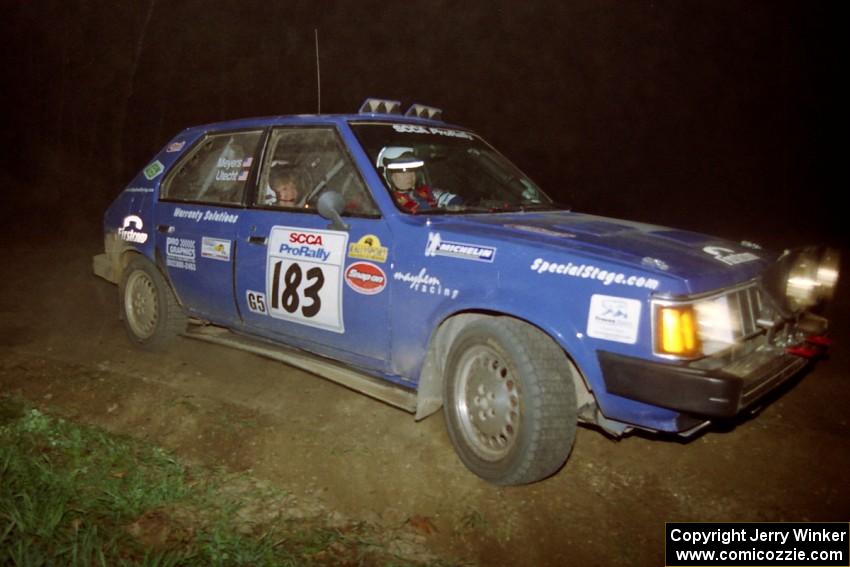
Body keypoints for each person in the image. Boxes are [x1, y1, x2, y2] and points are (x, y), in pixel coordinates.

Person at [376, 146, 461, 213]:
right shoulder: (384, 200)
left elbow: (453, 200)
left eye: (412, 170)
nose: (410, 176)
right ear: (387, 174)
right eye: (402, 171)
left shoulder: (425, 192)